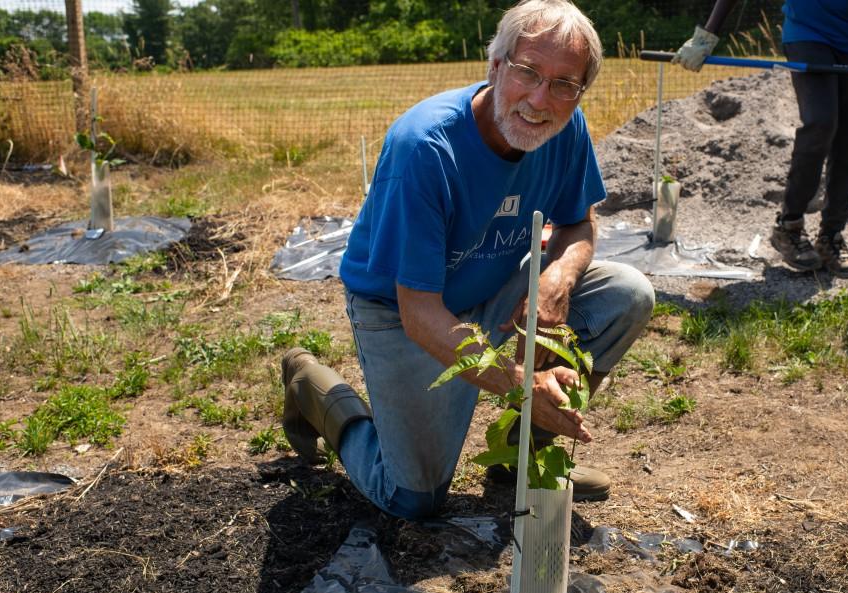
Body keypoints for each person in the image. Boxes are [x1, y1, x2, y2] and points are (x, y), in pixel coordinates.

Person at [280, 0, 655, 520]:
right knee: (412, 499)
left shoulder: (565, 127)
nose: (541, 100)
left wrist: (556, 277)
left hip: (493, 285)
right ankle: (312, 387)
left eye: (565, 84)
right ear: (496, 66)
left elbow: (579, 223)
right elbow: (419, 313)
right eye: (528, 73)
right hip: (403, 311)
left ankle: (520, 455)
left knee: (627, 293)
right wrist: (520, 384)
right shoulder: (426, 149)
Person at [675, 0, 848, 278]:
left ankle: (831, 238)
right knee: (820, 123)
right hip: (808, 33)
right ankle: (788, 227)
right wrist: (705, 37)